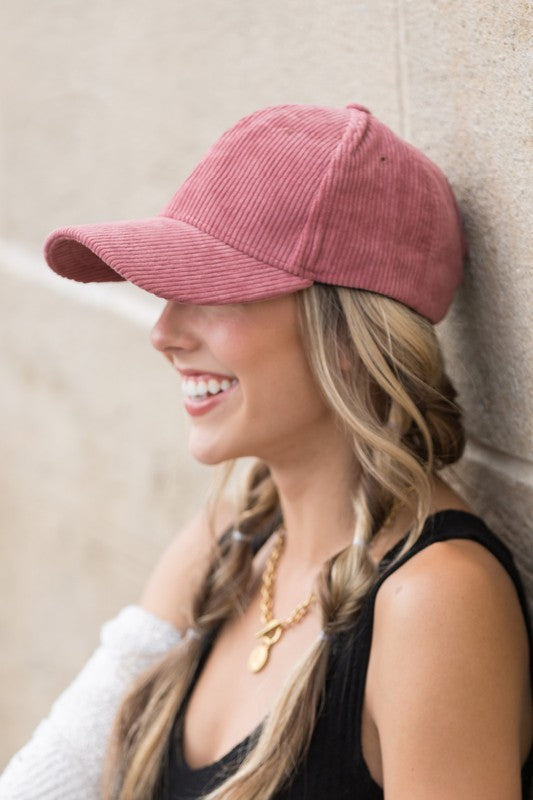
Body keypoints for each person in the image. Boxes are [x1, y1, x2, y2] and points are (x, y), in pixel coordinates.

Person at [0, 102, 531, 800]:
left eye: (209, 291)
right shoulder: (230, 541)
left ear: (343, 332)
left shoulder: (432, 601)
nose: (163, 331)